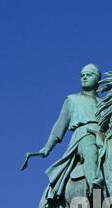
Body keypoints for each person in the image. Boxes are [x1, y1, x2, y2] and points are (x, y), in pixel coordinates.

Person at [33, 63, 103, 200]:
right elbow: (60, 125)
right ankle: (95, 188)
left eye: (88, 75)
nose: (84, 78)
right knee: (90, 151)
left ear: (97, 79)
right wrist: (48, 147)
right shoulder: (72, 99)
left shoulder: (104, 102)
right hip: (84, 134)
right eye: (82, 75)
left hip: (103, 135)